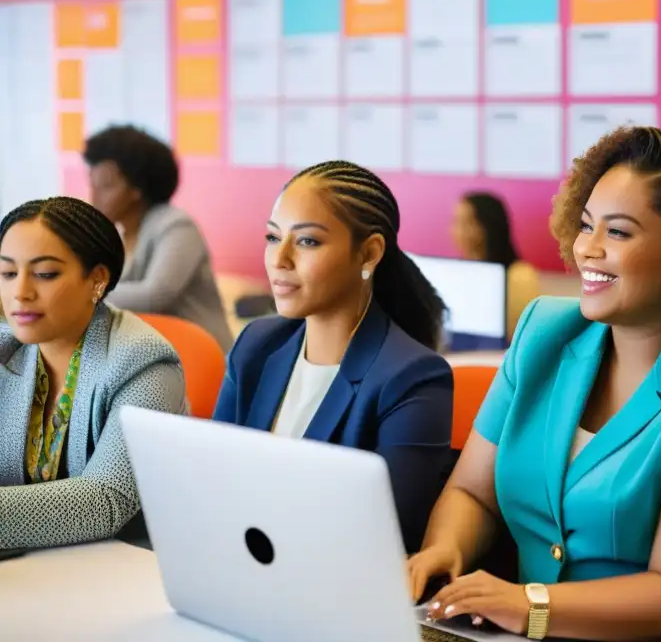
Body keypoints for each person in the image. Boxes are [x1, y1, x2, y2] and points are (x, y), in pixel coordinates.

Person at [410, 127, 661, 641]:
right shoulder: (542, 334)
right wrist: (446, 549)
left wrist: (527, 603)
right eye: (585, 225)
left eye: (617, 233)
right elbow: (473, 491)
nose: (587, 250)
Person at [212, 161, 454, 554]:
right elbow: (211, 479)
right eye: (273, 238)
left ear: (370, 253)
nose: (279, 259)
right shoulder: (256, 345)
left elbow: (386, 533)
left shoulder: (412, 378)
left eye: (306, 241)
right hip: (234, 564)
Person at [0, 196, 187, 549]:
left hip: (126, 568)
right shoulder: (8, 347)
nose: (20, 293)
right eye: (8, 273)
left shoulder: (143, 361)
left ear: (97, 279)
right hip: (33, 563)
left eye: (44, 274)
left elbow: (105, 499)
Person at [84, 124, 233, 352]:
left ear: (137, 189)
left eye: (106, 186)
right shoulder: (121, 235)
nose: (94, 197)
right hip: (159, 358)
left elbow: (155, 296)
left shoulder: (176, 225)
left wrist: (81, 292)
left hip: (204, 360)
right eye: (92, 185)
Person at [451, 192, 540, 341]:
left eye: (465, 223)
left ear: (486, 226)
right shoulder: (456, 275)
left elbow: (523, 333)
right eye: (456, 222)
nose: (456, 231)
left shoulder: (520, 276)